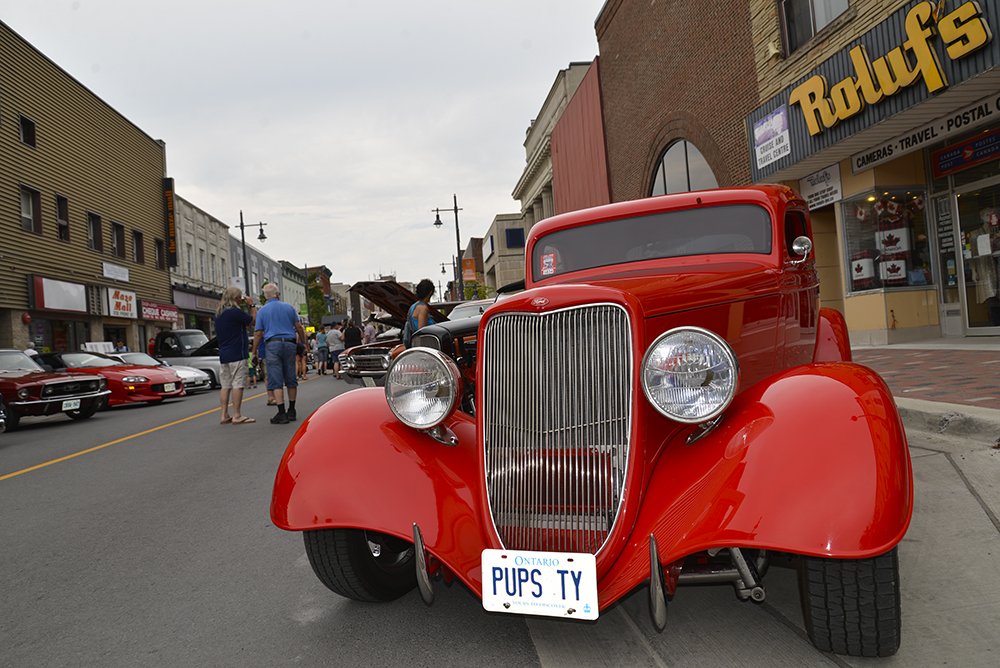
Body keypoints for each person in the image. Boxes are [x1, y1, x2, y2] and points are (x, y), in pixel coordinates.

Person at [252, 283, 306, 424]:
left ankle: (281, 413)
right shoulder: (289, 307)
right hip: (289, 343)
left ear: (265, 297)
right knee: (290, 376)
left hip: (272, 344)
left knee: (276, 378)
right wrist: (304, 343)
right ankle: (292, 410)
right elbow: (299, 327)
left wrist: (254, 352)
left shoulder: (262, 311)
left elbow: (258, 333)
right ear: (278, 294)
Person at [214, 286, 256, 424]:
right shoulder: (235, 312)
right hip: (237, 352)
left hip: (224, 353)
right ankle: (237, 415)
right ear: (236, 298)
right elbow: (252, 321)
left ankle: (224, 414)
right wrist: (251, 305)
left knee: (225, 385)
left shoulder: (219, 313)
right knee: (238, 384)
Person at [405, 279, 436, 347]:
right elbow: (422, 331)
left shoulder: (413, 306)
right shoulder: (423, 308)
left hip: (415, 344)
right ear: (430, 292)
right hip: (424, 345)